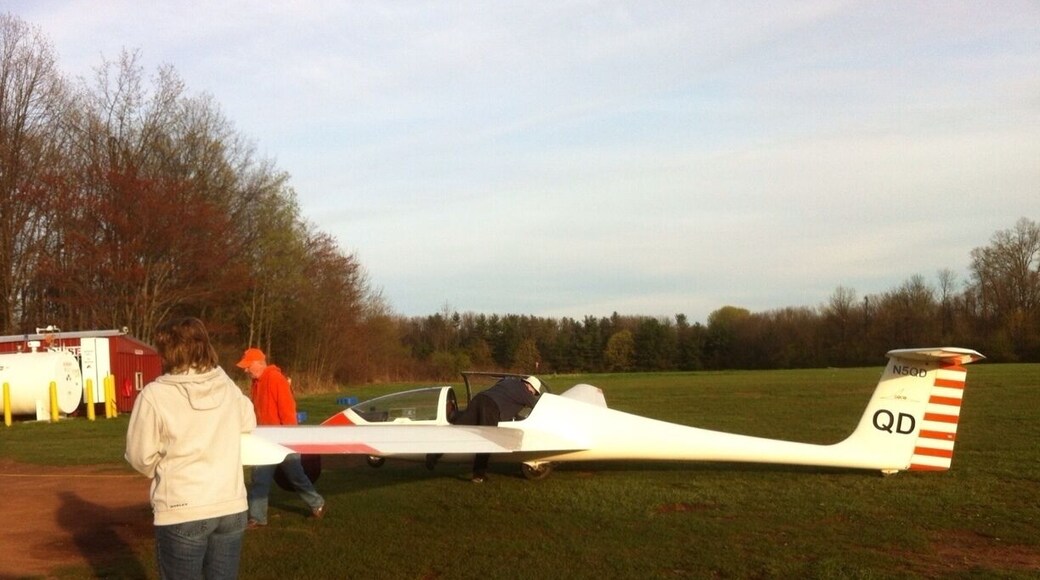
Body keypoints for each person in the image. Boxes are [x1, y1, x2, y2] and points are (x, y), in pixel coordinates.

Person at [126, 317, 256, 580]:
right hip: (230, 505)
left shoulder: (154, 395)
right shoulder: (228, 385)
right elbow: (248, 423)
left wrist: (161, 467)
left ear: (166, 351)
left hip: (182, 507)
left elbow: (140, 456)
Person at [237, 347, 326, 527]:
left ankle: (318, 504)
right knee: (259, 479)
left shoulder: (276, 379)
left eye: (248, 366)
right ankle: (257, 517)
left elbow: (288, 411)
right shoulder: (256, 382)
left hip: (283, 438)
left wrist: (289, 438)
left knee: (296, 477)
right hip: (264, 439)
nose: (245, 370)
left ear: (259, 364)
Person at [427, 375, 543, 483]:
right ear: (529, 386)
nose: (533, 394)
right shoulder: (524, 391)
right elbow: (538, 405)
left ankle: (433, 454)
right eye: (534, 392)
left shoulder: (509, 381)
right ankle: (478, 475)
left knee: (457, 430)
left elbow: (505, 397)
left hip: (479, 399)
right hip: (490, 408)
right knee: (487, 441)